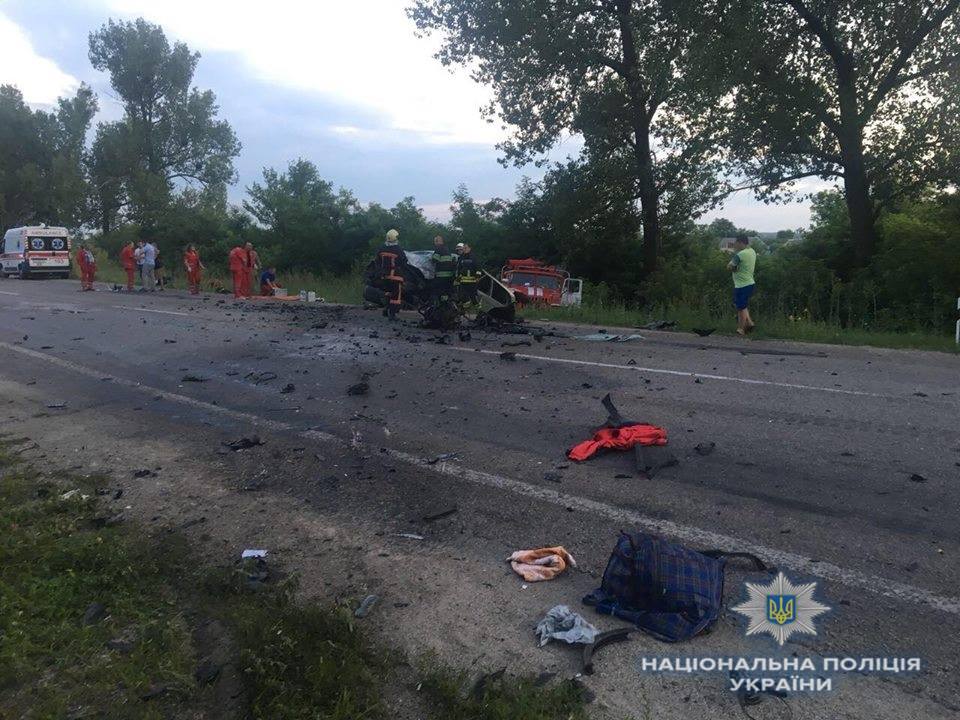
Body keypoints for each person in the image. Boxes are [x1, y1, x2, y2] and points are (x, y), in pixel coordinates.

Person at [727, 233, 757, 335]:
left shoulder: (740, 255)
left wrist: (734, 268)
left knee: (740, 308)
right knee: (743, 306)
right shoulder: (752, 251)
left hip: (741, 285)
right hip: (750, 283)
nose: (735, 245)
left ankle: (741, 329)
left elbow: (729, 266)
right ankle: (750, 323)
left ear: (740, 242)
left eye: (736, 243)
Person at [376, 229, 407, 319]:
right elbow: (404, 261)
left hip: (385, 275)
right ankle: (392, 314)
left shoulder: (382, 248)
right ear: (395, 238)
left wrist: (380, 271)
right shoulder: (398, 249)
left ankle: (386, 310)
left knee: (388, 293)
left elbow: (377, 261)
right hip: (395, 276)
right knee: (396, 295)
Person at [430, 234, 457, 301]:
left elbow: (434, 260)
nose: (435, 242)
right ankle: (446, 303)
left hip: (441, 275)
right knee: (445, 291)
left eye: (436, 240)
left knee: (440, 291)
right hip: (449, 275)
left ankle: (441, 304)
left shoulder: (438, 248)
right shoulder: (446, 249)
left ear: (439, 241)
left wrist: (430, 258)